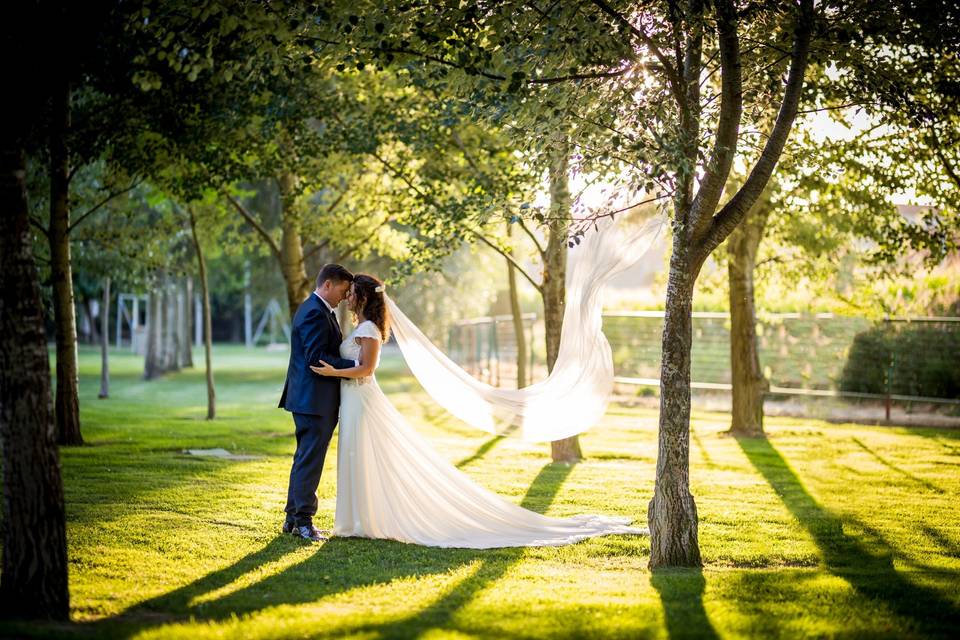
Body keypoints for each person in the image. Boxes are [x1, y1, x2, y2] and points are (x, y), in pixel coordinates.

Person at [309, 273, 645, 548]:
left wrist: (333, 372)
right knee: (356, 454)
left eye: (352, 292)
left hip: (362, 399)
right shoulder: (360, 327)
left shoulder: (368, 331)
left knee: (362, 453)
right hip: (352, 400)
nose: (348, 296)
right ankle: (358, 520)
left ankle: (360, 521)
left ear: (364, 298)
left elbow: (366, 369)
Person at [279, 264, 356, 542]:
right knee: (309, 461)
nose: (345, 297)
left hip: (310, 399)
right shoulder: (314, 312)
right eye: (343, 290)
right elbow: (315, 358)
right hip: (313, 400)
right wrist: (357, 365)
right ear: (327, 285)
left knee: (303, 459)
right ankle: (303, 522)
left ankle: (291, 519)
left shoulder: (318, 309)